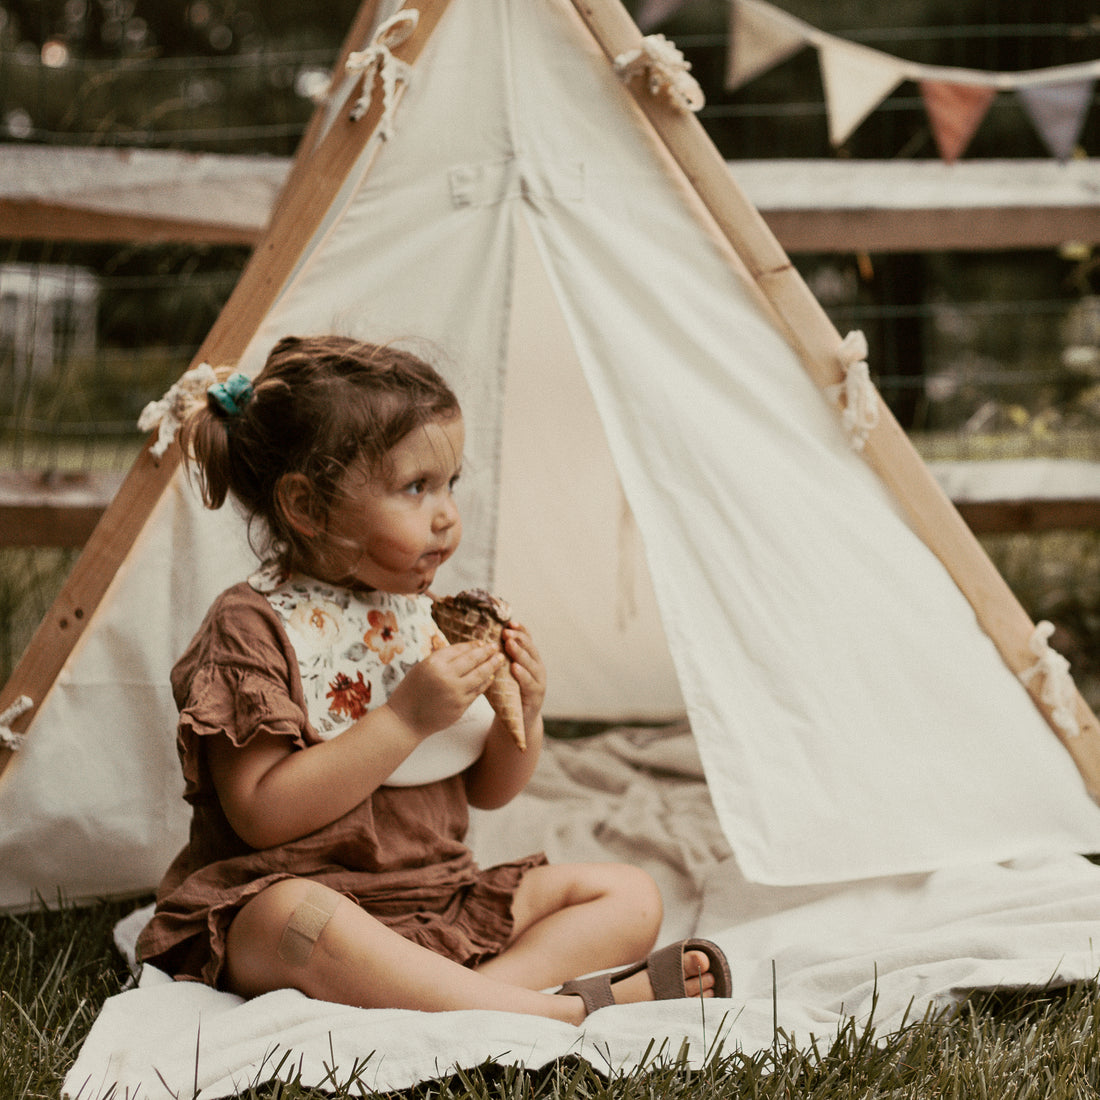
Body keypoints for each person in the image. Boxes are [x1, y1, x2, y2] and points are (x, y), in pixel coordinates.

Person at [136, 334, 731, 1023]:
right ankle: (550, 1012)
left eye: (450, 483)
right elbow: (263, 814)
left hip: (439, 902)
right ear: (306, 507)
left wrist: (526, 717)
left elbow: (488, 791)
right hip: (292, 895)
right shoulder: (251, 627)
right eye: (415, 488)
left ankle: (481, 999)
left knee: (630, 895)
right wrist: (404, 719)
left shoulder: (430, 617)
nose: (447, 513)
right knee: (293, 920)